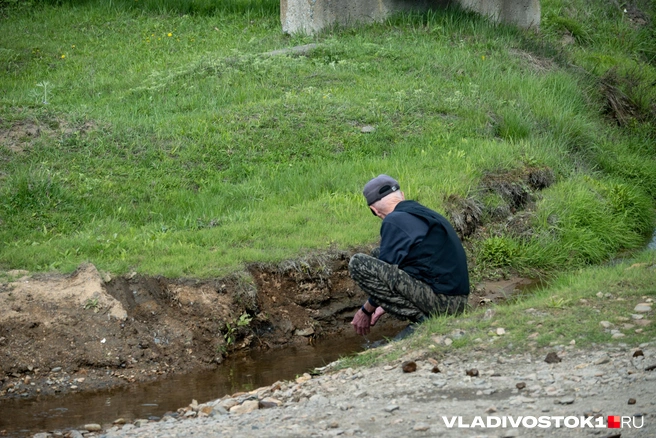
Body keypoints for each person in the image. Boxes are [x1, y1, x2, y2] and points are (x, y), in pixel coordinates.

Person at [349, 174, 470, 339]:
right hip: (457, 300)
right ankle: (426, 317)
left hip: (445, 303)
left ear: (374, 210)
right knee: (376, 256)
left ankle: (423, 321)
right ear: (402, 195)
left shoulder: (394, 220)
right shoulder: (421, 212)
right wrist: (383, 303)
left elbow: (385, 276)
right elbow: (398, 268)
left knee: (359, 263)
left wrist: (366, 310)